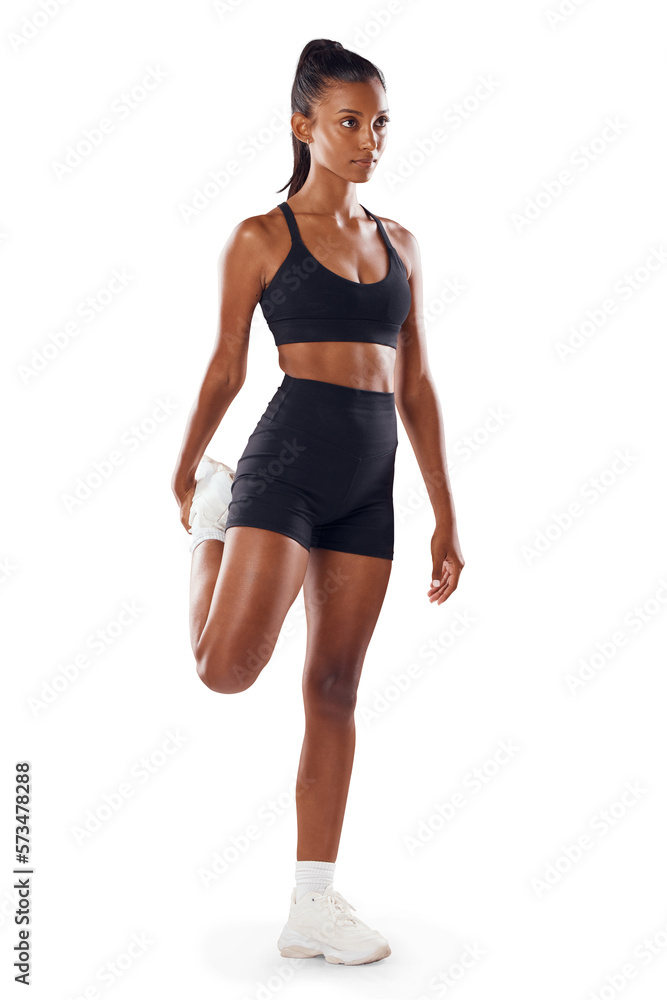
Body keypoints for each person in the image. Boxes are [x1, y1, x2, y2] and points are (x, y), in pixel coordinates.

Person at [171, 38, 464, 966]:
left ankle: (311, 904)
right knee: (224, 671)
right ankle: (211, 537)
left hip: (366, 487)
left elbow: (416, 387)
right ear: (302, 126)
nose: (368, 139)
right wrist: (185, 473)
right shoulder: (263, 237)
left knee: (333, 689)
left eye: (378, 122)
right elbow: (228, 365)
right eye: (348, 121)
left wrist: (445, 513)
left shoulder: (402, 243)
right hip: (286, 465)